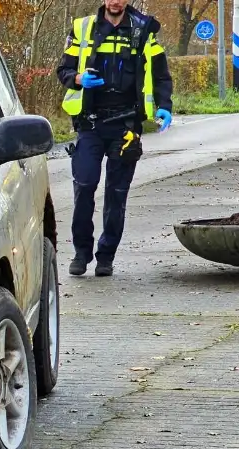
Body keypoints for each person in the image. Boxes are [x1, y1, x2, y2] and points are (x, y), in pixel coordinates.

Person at [56, 0, 173, 277]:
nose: (115, 1)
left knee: (116, 196)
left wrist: (164, 106)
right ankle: (81, 253)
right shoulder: (83, 28)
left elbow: (160, 75)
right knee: (84, 187)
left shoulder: (144, 30)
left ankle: (106, 256)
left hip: (126, 124)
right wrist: (78, 78)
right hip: (91, 123)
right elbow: (63, 70)